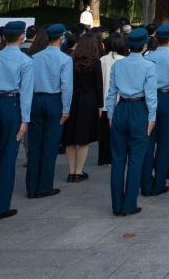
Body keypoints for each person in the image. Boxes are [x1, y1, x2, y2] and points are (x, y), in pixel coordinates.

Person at [0, 20, 33, 223]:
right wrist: (25, 119)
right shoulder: (25, 61)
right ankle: (1, 205)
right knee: (8, 156)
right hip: (12, 106)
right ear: (22, 36)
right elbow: (26, 93)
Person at [106, 28, 156, 217]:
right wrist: (152, 117)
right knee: (136, 160)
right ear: (144, 46)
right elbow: (151, 95)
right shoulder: (148, 66)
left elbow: (111, 93)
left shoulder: (118, 65)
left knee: (118, 160)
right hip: (139, 110)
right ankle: (129, 204)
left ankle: (116, 204)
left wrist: (111, 115)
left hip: (121, 108)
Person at [26, 24, 71, 200]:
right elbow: (67, 86)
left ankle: (32, 186)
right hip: (54, 100)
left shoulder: (35, 57)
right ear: (61, 38)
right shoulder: (65, 59)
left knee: (35, 143)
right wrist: (66, 109)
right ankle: (44, 185)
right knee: (50, 145)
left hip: (36, 99)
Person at [142, 26, 169, 196]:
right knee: (165, 144)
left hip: (150, 98)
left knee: (148, 142)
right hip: (168, 99)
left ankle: (145, 182)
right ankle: (160, 182)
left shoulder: (148, 58)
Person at [62, 31, 102, 182]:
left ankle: (71, 171)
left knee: (70, 136)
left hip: (72, 99)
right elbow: (99, 86)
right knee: (83, 138)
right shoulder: (94, 62)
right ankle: (79, 171)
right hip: (89, 100)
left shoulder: (70, 61)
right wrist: (100, 105)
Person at [97, 33, 126, 166]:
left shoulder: (102, 60)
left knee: (104, 132)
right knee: (118, 132)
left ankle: (104, 157)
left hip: (103, 100)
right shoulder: (123, 60)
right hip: (120, 100)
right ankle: (117, 156)